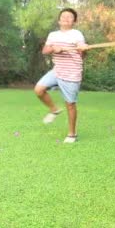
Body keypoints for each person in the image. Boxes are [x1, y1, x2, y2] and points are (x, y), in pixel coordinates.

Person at [34, 8, 88, 143]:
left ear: (74, 21)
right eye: (63, 16)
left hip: (72, 72)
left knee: (70, 104)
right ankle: (54, 109)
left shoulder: (77, 34)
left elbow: (82, 52)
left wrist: (83, 49)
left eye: (70, 17)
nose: (66, 18)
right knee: (39, 90)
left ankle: (72, 134)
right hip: (57, 70)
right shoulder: (53, 35)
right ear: (59, 20)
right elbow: (45, 50)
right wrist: (53, 48)